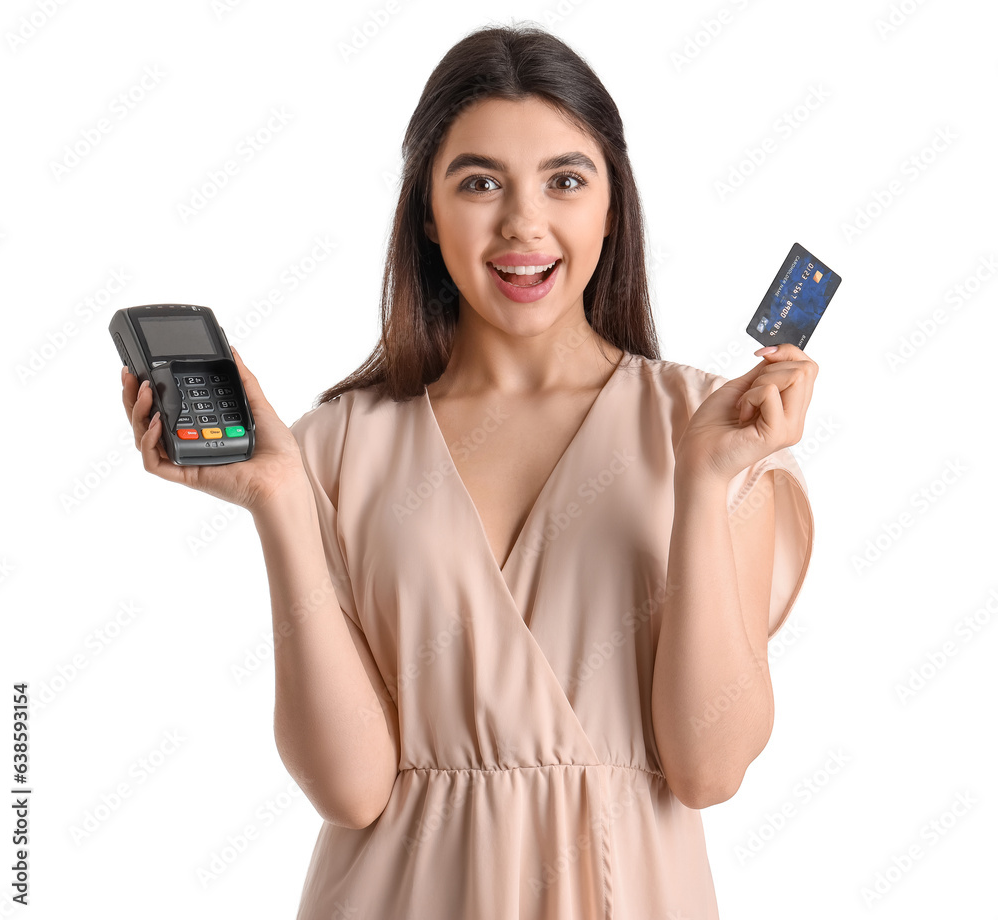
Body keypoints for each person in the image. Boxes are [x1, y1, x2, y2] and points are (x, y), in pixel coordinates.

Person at [121, 22, 817, 920]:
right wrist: (279, 502)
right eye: (480, 182)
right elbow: (351, 791)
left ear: (613, 205)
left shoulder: (709, 427)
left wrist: (701, 479)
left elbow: (709, 767)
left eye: (566, 180)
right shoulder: (334, 445)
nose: (524, 222)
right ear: (426, 212)